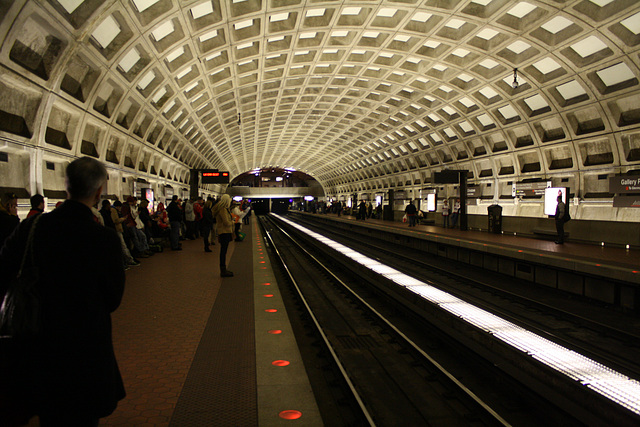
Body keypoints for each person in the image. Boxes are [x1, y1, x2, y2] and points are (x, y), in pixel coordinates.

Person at [0, 157, 126, 425]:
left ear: (66, 186)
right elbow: (113, 299)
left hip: (38, 348)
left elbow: (4, 271)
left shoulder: (31, 228)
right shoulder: (104, 239)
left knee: (50, 414)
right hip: (86, 351)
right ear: (99, 190)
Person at [212, 194, 234, 277]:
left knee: (223, 251)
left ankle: (223, 269)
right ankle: (223, 270)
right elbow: (226, 222)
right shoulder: (223, 210)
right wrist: (233, 221)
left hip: (224, 232)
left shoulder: (223, 209)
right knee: (223, 252)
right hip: (224, 232)